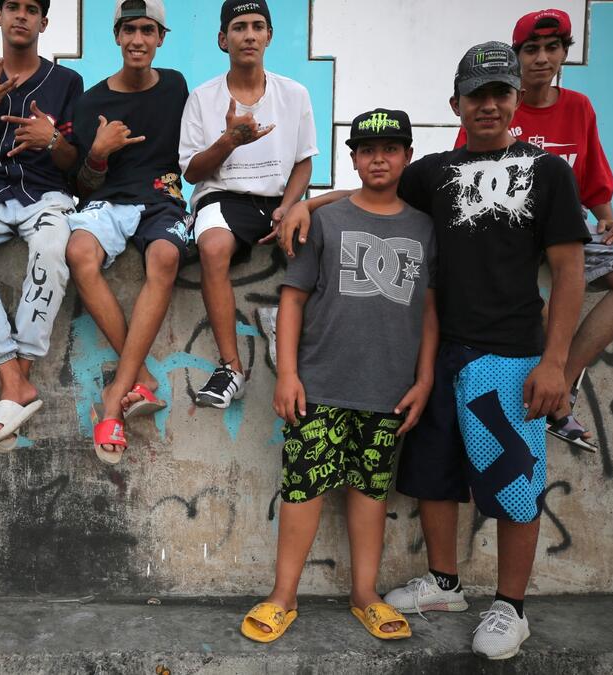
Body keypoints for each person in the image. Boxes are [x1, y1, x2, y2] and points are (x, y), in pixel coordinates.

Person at [279, 42, 589, 660]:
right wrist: (304, 205)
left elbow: (570, 270)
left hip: (509, 353)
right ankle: (445, 583)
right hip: (439, 351)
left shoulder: (548, 173)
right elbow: (371, 188)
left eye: (501, 93)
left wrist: (556, 362)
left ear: (515, 99)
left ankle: (510, 607)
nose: (490, 105)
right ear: (456, 104)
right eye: (477, 95)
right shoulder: (435, 173)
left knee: (513, 483)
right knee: (435, 475)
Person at [240, 109, 436, 644]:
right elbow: (293, 296)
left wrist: (424, 380)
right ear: (352, 158)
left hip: (389, 392)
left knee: (371, 495)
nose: (379, 158)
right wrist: (287, 374)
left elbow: (430, 310)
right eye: (368, 150)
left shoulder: (424, 227)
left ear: (407, 156)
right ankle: (283, 596)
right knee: (302, 493)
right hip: (319, 386)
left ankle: (365, 595)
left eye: (391, 148)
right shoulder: (324, 221)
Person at [451, 8, 613, 451]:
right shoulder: (495, 106)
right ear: (517, 56)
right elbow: (463, 173)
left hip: (567, 235)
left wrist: (608, 218)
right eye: (531, 49)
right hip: (509, 242)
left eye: (553, 48)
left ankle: (560, 387)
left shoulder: (578, 108)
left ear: (565, 53)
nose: (542, 58)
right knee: (537, 297)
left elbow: (590, 182)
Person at [0, 0, 84, 450]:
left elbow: (74, 163)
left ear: (44, 22)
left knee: (52, 247)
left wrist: (54, 139)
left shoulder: (66, 81)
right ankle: (12, 378)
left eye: (31, 8)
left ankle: (15, 383)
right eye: (13, 7)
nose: (21, 15)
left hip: (46, 195)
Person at [64, 0, 189, 464]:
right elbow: (82, 183)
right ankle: (144, 379)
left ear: (160, 38)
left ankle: (117, 394)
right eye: (129, 30)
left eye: (147, 30)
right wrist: (97, 153)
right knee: (78, 251)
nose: (138, 39)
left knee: (165, 257)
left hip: (163, 199)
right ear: (117, 37)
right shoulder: (92, 100)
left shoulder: (176, 86)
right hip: (109, 201)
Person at [178, 0, 316, 409]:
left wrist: (290, 205)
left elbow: (304, 162)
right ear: (224, 39)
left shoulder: (294, 93)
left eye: (258, 26)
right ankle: (231, 368)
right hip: (224, 196)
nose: (249, 35)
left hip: (278, 199)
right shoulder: (203, 98)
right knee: (214, 246)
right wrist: (230, 141)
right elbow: (191, 172)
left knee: (332, 239)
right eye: (239, 27)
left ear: (269, 36)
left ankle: (299, 338)